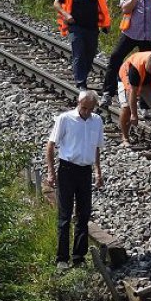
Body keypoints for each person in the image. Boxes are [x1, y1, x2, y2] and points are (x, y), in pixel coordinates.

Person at [45, 90, 105, 270]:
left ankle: (79, 257)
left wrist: (98, 172)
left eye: (90, 109)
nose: (86, 112)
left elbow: (96, 148)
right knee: (65, 215)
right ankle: (62, 258)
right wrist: (50, 171)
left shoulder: (97, 121)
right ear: (78, 103)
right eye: (83, 107)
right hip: (67, 169)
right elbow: (51, 145)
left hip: (85, 171)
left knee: (84, 214)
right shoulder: (65, 119)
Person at [52, 0, 111, 90]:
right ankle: (81, 82)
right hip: (75, 27)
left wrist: (106, 24)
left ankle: (82, 77)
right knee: (78, 53)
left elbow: (102, 6)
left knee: (90, 53)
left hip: (92, 27)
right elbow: (56, 3)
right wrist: (66, 15)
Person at [117, 51, 151, 146]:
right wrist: (134, 114)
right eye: (150, 71)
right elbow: (132, 93)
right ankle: (125, 138)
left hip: (147, 82)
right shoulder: (135, 68)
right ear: (146, 64)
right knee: (126, 107)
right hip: (127, 79)